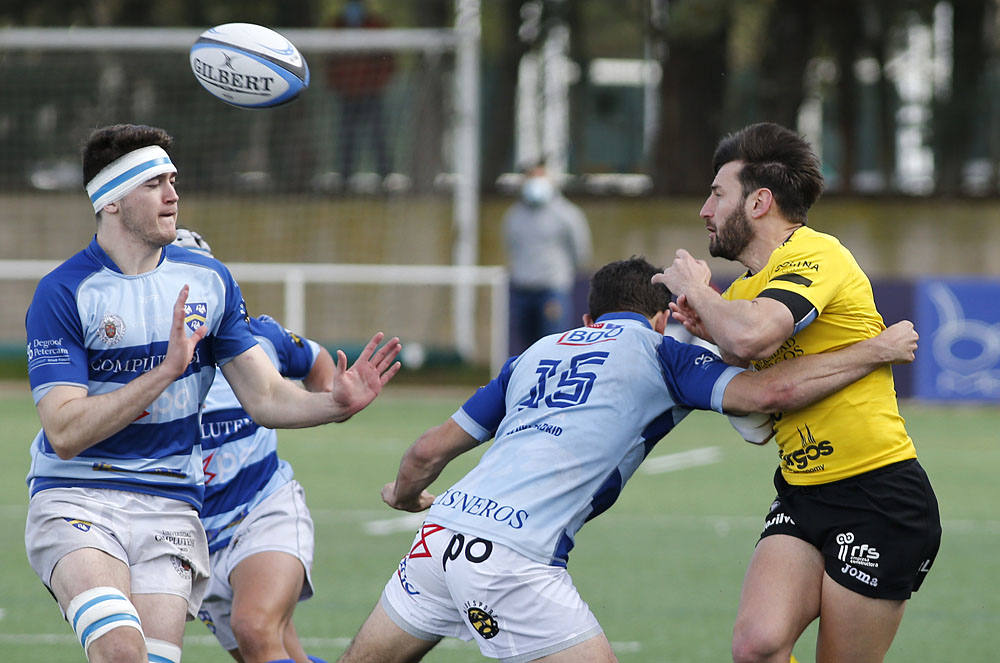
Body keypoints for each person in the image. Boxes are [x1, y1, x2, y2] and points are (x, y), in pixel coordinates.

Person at [335, 256, 919, 663]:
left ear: (588, 319)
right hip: (515, 560)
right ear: (662, 317)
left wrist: (407, 496)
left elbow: (426, 451)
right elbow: (772, 395)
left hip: (438, 540)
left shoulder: (534, 354)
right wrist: (875, 349)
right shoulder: (663, 355)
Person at [23, 124, 401, 663]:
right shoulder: (63, 292)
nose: (173, 195)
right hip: (80, 497)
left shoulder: (210, 280)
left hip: (171, 506)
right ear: (110, 199)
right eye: (154, 184)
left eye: (173, 180)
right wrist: (164, 372)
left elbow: (266, 396)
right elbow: (63, 432)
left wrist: (334, 404)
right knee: (122, 653)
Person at [654, 122, 941, 663]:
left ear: (759, 202)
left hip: (879, 495)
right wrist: (709, 317)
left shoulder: (815, 255)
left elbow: (753, 335)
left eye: (718, 193)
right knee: (757, 645)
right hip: (802, 490)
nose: (705, 211)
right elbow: (748, 362)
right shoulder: (740, 291)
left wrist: (697, 289)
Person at [170, 229, 328, 663]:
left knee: (254, 627)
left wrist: (331, 401)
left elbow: (315, 361)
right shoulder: (137, 357)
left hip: (261, 508)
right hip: (194, 538)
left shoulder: (259, 339)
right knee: (274, 650)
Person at [503, 160, 593, 354]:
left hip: (552, 291)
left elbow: (581, 251)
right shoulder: (514, 215)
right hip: (522, 290)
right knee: (524, 350)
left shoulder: (568, 214)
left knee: (554, 347)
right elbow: (511, 247)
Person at [324, 0, 396, 183]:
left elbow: (388, 61)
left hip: (372, 93)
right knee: (347, 138)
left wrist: (377, 83)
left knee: (378, 137)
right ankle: (345, 178)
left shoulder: (375, 26)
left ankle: (385, 177)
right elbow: (329, 62)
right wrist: (338, 84)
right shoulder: (337, 26)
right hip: (347, 94)